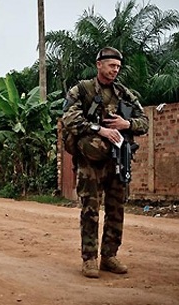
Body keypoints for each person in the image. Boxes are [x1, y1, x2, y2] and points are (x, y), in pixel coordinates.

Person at [62, 47, 149, 278]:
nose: (115, 70)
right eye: (112, 66)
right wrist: (99, 129)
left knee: (116, 209)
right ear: (99, 64)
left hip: (118, 158)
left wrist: (126, 124)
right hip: (90, 161)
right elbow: (69, 118)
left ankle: (109, 256)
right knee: (90, 210)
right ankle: (89, 259)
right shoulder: (82, 89)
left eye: (118, 67)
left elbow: (144, 122)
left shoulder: (125, 93)